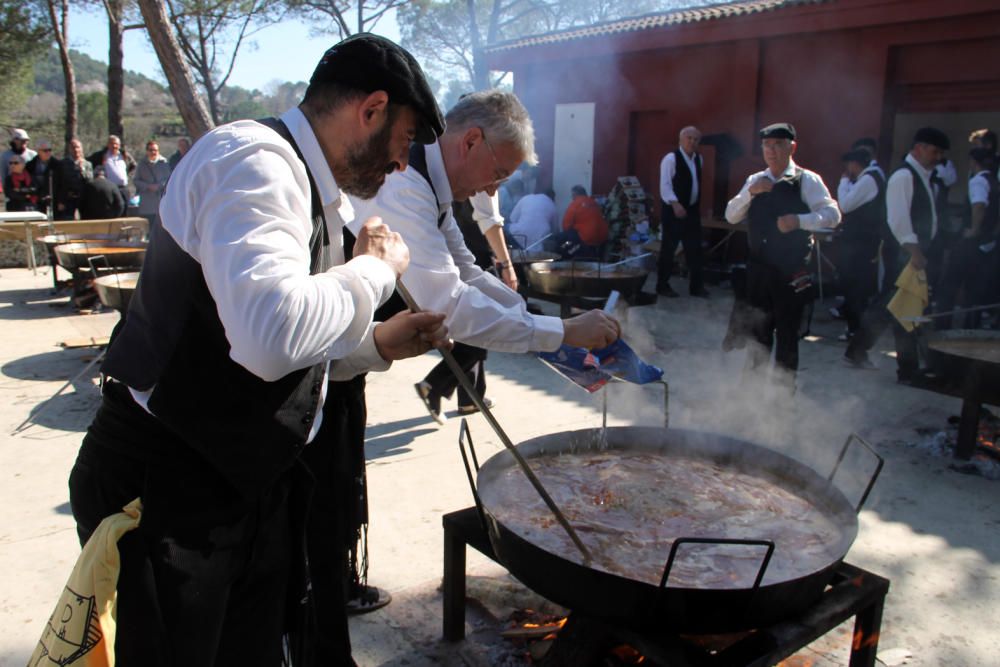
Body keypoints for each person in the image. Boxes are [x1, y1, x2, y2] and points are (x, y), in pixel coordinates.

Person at [67, 33, 449, 665]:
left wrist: (378, 343)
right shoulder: (256, 161)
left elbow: (286, 342)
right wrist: (376, 270)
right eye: (405, 140)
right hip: (164, 487)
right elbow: (269, 338)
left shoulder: (313, 190)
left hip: (236, 482)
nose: (402, 163)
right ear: (373, 109)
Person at [349, 89, 620, 424]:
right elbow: (448, 306)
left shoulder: (434, 188)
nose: (493, 191)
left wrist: (526, 314)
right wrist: (561, 330)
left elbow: (467, 271)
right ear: (471, 141)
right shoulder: (406, 185)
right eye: (498, 174)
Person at [724, 122, 840, 391]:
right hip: (759, 271)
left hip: (791, 271)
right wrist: (749, 193)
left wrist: (799, 221)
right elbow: (731, 215)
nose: (772, 150)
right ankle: (751, 395)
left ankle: (782, 399)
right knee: (757, 334)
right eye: (767, 145)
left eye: (778, 144)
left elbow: (833, 215)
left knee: (787, 336)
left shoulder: (806, 180)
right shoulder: (755, 180)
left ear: (792, 147)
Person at [845, 127, 950, 383]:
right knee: (900, 308)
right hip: (903, 254)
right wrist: (913, 250)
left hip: (912, 253)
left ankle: (873, 356)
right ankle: (906, 368)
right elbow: (898, 218)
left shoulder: (922, 175)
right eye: (934, 151)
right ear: (919, 148)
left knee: (899, 308)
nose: (937, 157)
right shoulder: (904, 175)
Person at [935, 147, 1000, 329]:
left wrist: (974, 229)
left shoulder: (978, 181)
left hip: (971, 243)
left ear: (973, 162)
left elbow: (979, 206)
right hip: (987, 243)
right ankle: (970, 326)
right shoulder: (995, 181)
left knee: (950, 284)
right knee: (975, 290)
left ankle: (942, 325)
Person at [834, 148, 885, 341]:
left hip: (860, 243)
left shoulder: (868, 180)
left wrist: (844, 182)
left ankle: (856, 330)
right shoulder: (874, 176)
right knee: (855, 287)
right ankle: (854, 328)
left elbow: (846, 205)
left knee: (855, 288)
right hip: (862, 241)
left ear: (854, 164)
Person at [658, 125, 708, 297]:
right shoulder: (670, 159)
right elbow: (665, 185)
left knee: (695, 250)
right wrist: (675, 203)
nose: (692, 142)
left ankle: (696, 287)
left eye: (696, 139)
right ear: (681, 139)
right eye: (689, 138)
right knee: (668, 249)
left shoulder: (698, 159)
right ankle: (662, 285)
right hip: (673, 210)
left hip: (692, 211)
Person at [554, 184, 609, 259]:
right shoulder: (594, 203)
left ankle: (566, 256)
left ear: (575, 194)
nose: (572, 198)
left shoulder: (576, 203)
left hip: (586, 239)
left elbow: (566, 225)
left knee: (562, 239)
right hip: (602, 239)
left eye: (572, 195)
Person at [88, 135, 135, 214]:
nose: (114, 146)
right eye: (112, 143)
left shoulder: (124, 155)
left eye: (116, 144)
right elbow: (89, 163)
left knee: (125, 211)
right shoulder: (101, 155)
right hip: (110, 189)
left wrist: (126, 174)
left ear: (119, 145)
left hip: (124, 189)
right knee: (113, 211)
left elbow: (133, 165)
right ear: (108, 144)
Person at [133, 140, 172, 229]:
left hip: (161, 202)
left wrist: (159, 186)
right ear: (147, 151)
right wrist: (147, 186)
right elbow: (136, 181)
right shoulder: (142, 164)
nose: (153, 152)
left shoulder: (164, 163)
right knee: (148, 228)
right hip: (147, 203)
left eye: (156, 150)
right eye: (151, 150)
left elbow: (169, 180)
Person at [52, 139, 93, 220]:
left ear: (81, 149)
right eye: (73, 147)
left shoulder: (87, 164)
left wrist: (83, 170)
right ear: (70, 149)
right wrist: (60, 201)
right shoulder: (63, 164)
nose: (76, 150)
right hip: (68, 199)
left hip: (83, 199)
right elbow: (58, 183)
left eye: (78, 147)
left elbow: (90, 182)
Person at [25, 140, 57, 216]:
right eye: (45, 150)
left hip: (53, 200)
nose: (48, 152)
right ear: (38, 151)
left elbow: (62, 184)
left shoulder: (57, 165)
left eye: (50, 150)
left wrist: (61, 201)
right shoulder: (30, 165)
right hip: (35, 200)